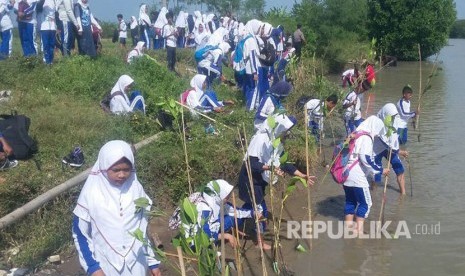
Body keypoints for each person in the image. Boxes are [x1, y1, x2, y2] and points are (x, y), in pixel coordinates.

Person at [72, 140, 162, 275]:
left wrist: (152, 261)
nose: (122, 175)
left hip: (137, 262)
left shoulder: (136, 191)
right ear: (103, 167)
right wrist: (93, 267)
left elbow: (141, 230)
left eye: (126, 170)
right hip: (106, 265)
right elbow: (80, 234)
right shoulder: (90, 195)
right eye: (115, 170)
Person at [238, 114, 315, 249]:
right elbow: (251, 164)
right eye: (285, 130)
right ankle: (259, 243)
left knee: (252, 206)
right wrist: (270, 167)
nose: (287, 133)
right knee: (261, 210)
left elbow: (284, 164)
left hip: (260, 181)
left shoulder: (276, 142)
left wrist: (301, 175)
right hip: (250, 179)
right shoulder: (260, 139)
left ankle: (237, 225)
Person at [345, 116, 389, 234]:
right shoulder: (366, 138)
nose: (376, 134)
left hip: (346, 173)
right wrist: (380, 170)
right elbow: (365, 158)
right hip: (357, 176)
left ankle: (348, 229)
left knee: (350, 202)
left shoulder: (355, 134)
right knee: (366, 204)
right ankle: (358, 233)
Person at [182, 180, 253, 248]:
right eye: (227, 196)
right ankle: (206, 248)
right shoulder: (204, 208)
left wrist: (253, 213)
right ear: (219, 194)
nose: (229, 198)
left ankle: (214, 240)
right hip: (195, 240)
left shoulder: (216, 201)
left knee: (232, 218)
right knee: (218, 225)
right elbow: (204, 232)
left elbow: (235, 211)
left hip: (203, 232)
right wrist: (226, 236)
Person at [373, 103, 408, 195]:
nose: (393, 118)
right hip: (377, 149)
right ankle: (374, 192)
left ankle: (403, 194)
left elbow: (394, 137)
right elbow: (383, 141)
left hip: (391, 149)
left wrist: (398, 150)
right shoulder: (376, 122)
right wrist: (400, 152)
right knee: (376, 172)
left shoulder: (395, 120)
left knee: (399, 169)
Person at [38, 0, 56, 64]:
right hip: (44, 26)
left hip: (53, 26)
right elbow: (39, 7)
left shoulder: (54, 1)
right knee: (45, 44)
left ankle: (51, 61)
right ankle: (46, 61)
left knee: (52, 44)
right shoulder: (42, 1)